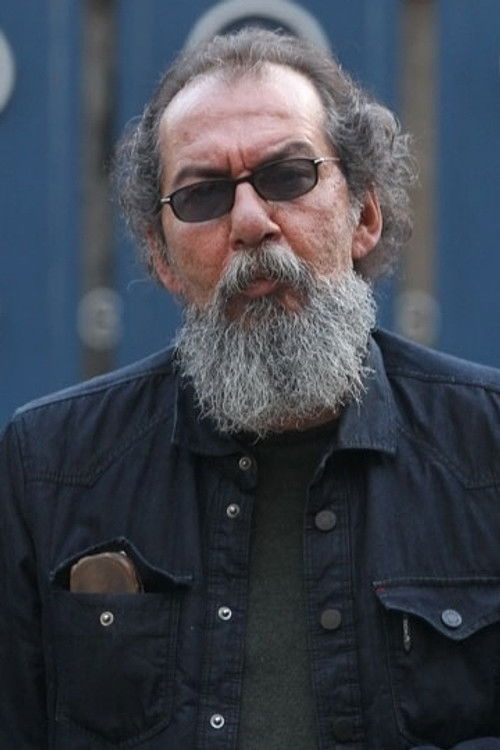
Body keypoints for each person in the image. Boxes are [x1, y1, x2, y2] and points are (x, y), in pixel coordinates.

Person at [1, 27, 500, 750]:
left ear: (364, 215)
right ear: (162, 258)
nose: (249, 222)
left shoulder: (487, 449)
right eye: (202, 194)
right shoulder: (50, 468)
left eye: (289, 176)